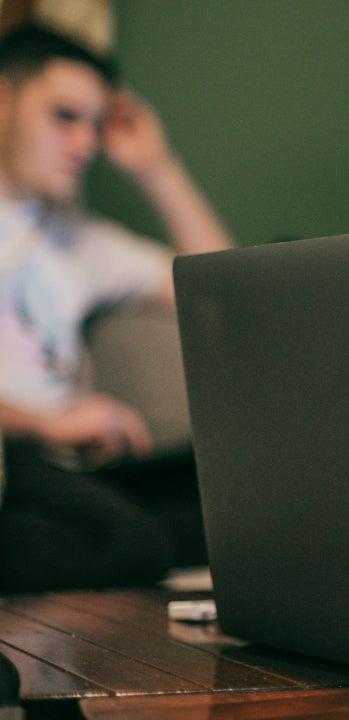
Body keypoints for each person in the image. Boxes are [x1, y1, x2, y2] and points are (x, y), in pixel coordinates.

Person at [0, 23, 233, 591]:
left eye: (94, 123)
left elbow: (221, 294)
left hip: (67, 468)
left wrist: (158, 167)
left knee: (244, 511)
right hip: (17, 456)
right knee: (127, 541)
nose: (84, 144)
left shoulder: (77, 240)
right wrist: (49, 423)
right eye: (64, 116)